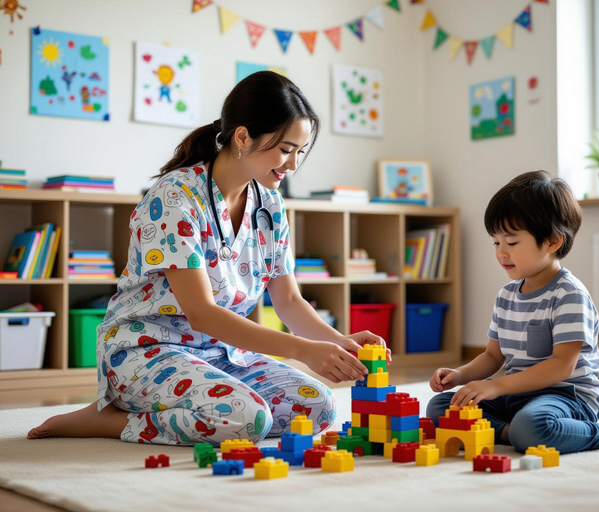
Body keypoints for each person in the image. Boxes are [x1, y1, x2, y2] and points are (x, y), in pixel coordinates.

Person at [28, 71, 390, 446]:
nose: (293, 165)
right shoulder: (174, 198)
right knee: (245, 420)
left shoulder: (271, 204)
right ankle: (109, 420)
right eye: (285, 150)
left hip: (220, 353)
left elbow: (289, 301)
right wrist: (301, 350)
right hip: (145, 352)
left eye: (300, 151)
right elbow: (200, 312)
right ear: (243, 136)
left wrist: (338, 345)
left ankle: (179, 407)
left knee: (320, 408)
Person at [426, 171, 599, 454]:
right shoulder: (506, 296)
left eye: (511, 243)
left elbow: (561, 366)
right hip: (516, 396)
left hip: (567, 397)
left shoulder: (569, 295)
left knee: (535, 425)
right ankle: (513, 432)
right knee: (441, 406)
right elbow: (493, 355)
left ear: (552, 242)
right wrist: (460, 374)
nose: (501, 253)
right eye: (496, 242)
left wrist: (497, 387)